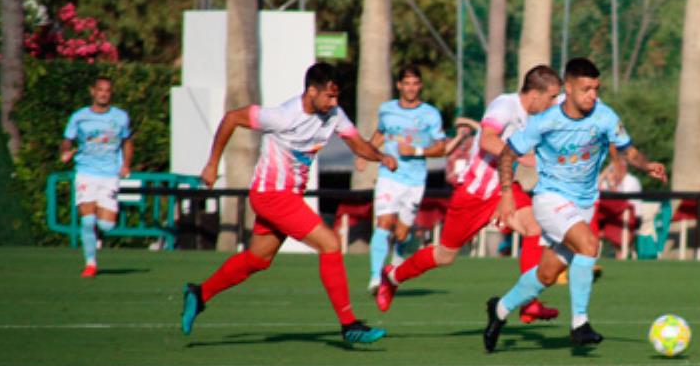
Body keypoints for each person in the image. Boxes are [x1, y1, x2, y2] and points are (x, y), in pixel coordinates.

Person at [180, 62, 395, 346]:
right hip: (272, 195)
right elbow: (232, 118)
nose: (334, 102)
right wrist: (211, 164)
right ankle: (349, 324)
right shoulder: (282, 116)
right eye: (329, 96)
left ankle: (199, 294)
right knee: (330, 244)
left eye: (337, 97)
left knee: (258, 260)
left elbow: (356, 143)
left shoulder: (334, 115)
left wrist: (381, 157)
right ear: (311, 91)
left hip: (286, 197)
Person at [483, 57, 668, 352]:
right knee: (589, 245)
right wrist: (506, 193)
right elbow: (507, 154)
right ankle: (579, 324)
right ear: (568, 88)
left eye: (595, 88)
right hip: (550, 199)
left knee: (546, 275)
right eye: (586, 89)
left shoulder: (604, 117)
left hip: (583, 203)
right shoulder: (545, 121)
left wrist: (648, 166)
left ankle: (500, 310)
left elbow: (628, 150)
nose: (592, 95)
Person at [374, 65, 563, 324]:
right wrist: (523, 157)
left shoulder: (538, 114)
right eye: (551, 97)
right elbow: (487, 140)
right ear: (535, 95)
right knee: (444, 256)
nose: (554, 103)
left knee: (534, 228)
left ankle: (529, 303)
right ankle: (392, 276)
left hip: (503, 188)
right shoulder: (505, 106)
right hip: (473, 194)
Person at [363, 66, 447, 296]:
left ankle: (397, 262)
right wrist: (367, 154)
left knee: (402, 233)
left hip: (415, 181)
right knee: (383, 223)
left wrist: (416, 151)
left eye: (415, 83)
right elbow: (381, 133)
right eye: (406, 83)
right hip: (389, 175)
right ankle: (375, 277)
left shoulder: (430, 114)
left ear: (420, 86)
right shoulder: (386, 110)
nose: (410, 88)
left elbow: (442, 148)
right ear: (399, 85)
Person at [60, 77, 133, 277]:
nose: (103, 94)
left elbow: (127, 142)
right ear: (93, 91)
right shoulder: (79, 117)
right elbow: (67, 140)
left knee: (106, 225)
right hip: (86, 173)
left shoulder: (120, 117)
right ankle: (90, 264)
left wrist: (126, 164)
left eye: (107, 90)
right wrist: (65, 152)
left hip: (110, 175)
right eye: (100, 90)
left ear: (111, 93)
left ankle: (97, 235)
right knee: (87, 221)